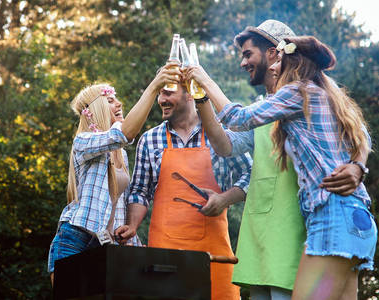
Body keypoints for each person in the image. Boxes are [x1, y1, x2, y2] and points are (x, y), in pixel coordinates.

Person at [189, 20, 370, 300]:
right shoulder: (307, 94)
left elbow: (238, 118)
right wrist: (201, 99)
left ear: (277, 54)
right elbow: (228, 142)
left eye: (248, 54)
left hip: (328, 215)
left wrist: (358, 166)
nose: (245, 63)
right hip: (351, 215)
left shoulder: (299, 91)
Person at [114, 72, 253, 299]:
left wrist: (225, 199)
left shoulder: (218, 135)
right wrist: (131, 226)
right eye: (159, 94)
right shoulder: (150, 140)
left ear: (190, 93)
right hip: (164, 256)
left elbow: (251, 173)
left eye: (168, 92)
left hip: (214, 256)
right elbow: (140, 191)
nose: (161, 100)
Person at [47, 63, 181, 285]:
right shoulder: (84, 141)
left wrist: (135, 245)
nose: (119, 104)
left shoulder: (121, 155)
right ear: (96, 108)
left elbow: (119, 207)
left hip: (106, 245)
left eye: (117, 99)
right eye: (110, 100)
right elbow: (123, 134)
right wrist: (154, 86)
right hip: (76, 239)